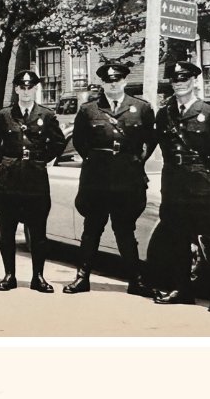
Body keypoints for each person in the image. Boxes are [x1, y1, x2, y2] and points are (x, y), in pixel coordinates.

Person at [148, 61, 210, 313]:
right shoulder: (164, 114)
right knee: (177, 240)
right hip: (174, 184)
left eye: (184, 79)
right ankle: (182, 289)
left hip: (202, 186)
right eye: (175, 80)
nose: (179, 84)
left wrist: (209, 176)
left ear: (194, 81)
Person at [64, 61, 157, 297]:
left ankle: (136, 281)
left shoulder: (141, 108)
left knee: (125, 231)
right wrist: (97, 161)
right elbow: (80, 142)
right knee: (91, 230)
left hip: (127, 182)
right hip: (97, 181)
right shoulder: (89, 110)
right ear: (103, 84)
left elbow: (151, 139)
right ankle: (82, 279)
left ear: (124, 81)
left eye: (117, 80)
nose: (113, 84)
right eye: (108, 81)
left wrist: (136, 161)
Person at [0, 69, 67, 292]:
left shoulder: (47, 115)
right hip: (8, 182)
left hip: (35, 182)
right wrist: (4, 161)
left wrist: (41, 160)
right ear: (17, 89)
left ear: (35, 89)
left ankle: (38, 277)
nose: (26, 92)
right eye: (23, 87)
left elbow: (59, 143)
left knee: (38, 233)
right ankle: (9, 275)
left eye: (30, 88)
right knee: (7, 231)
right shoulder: (4, 115)